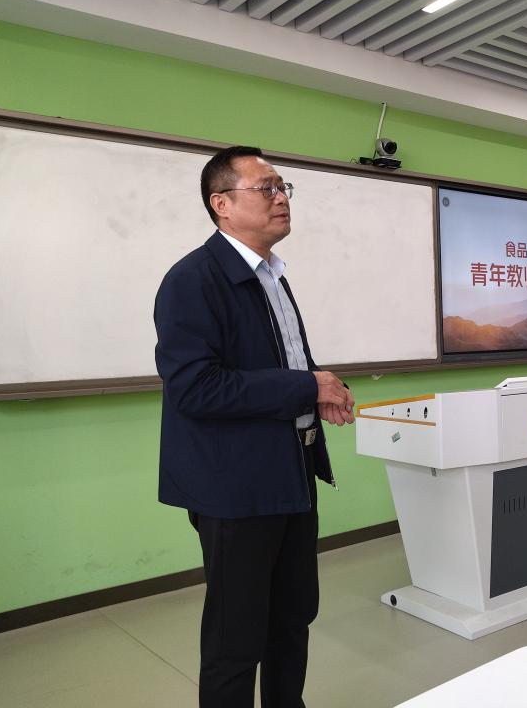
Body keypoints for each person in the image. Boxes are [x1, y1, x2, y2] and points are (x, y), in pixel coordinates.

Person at [154, 145, 354, 708]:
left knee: (292, 618)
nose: (280, 197)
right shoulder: (192, 280)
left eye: (283, 186)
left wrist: (321, 388)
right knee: (235, 638)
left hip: (291, 474)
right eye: (265, 188)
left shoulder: (273, 276)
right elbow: (196, 388)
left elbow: (282, 362)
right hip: (235, 489)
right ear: (221, 203)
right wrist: (305, 387)